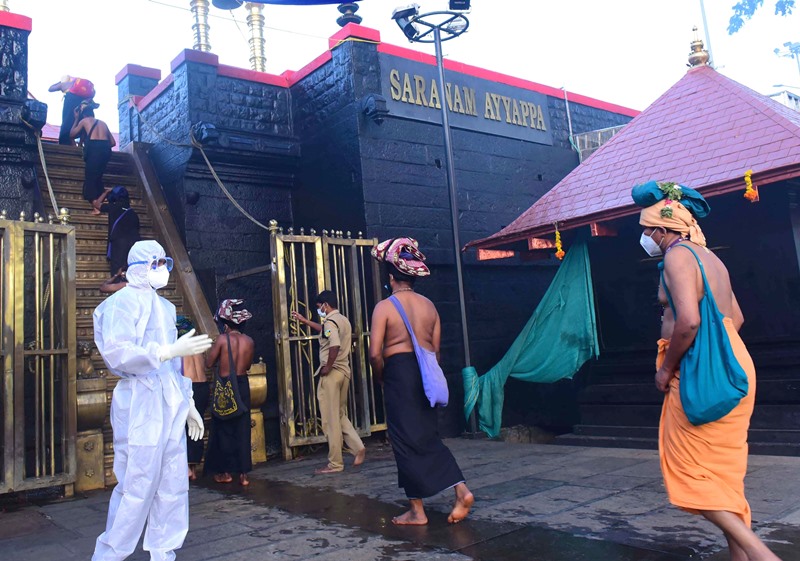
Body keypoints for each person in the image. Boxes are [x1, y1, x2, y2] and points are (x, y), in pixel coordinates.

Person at [633, 181, 780, 561]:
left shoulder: (678, 256)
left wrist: (667, 369)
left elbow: (689, 322)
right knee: (724, 476)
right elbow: (738, 317)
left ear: (663, 231)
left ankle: (761, 555)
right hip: (733, 361)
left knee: (690, 472)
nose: (645, 238)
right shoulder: (711, 258)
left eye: (647, 231)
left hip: (698, 370)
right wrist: (718, 353)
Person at [92, 240, 212, 561]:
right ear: (140, 267)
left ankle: (164, 551)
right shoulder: (120, 304)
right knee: (136, 483)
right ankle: (109, 555)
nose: (162, 270)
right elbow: (118, 353)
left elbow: (174, 367)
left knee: (172, 481)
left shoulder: (166, 308)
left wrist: (188, 404)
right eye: (156, 263)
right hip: (139, 401)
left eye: (164, 263)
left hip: (169, 400)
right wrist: (163, 351)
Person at [368, 237, 473, 526]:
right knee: (427, 436)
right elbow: (435, 353)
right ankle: (460, 490)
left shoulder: (384, 307)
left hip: (398, 374)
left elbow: (375, 353)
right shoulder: (430, 307)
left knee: (403, 440)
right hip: (426, 375)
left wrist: (381, 378)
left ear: (391, 276)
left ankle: (417, 510)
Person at [291, 291, 366, 474]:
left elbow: (334, 344)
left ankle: (335, 463)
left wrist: (327, 366)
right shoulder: (342, 320)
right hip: (344, 372)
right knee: (339, 414)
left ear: (325, 305)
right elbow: (325, 331)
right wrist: (304, 321)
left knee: (330, 420)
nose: (319, 311)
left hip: (332, 374)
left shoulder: (330, 322)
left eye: (319, 308)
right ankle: (358, 447)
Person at [205, 299, 255, 486]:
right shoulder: (249, 341)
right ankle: (244, 475)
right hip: (242, 384)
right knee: (242, 428)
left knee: (223, 429)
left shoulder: (222, 340)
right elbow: (248, 365)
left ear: (226, 325)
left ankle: (225, 473)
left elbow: (209, 363)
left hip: (225, 386)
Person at [177, 316, 209, 481]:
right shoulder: (198, 348)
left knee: (184, 427)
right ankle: (193, 469)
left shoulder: (181, 349)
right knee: (198, 426)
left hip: (189, 389)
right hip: (203, 387)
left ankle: (186, 469)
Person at [70, 99, 116, 214]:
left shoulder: (85, 121)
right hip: (105, 150)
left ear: (84, 114)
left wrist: (76, 119)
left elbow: (72, 134)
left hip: (95, 150)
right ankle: (100, 202)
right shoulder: (103, 123)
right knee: (97, 177)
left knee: (90, 178)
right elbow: (113, 143)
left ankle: (96, 207)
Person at [96, 186, 141, 274]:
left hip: (119, 245)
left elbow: (97, 204)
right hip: (133, 244)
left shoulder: (114, 207)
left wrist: (105, 193)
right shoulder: (133, 213)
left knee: (117, 270)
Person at [48, 74, 95, 145]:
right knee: (85, 123)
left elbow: (50, 89)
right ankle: (83, 143)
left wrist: (59, 83)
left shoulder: (65, 84)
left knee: (67, 123)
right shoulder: (84, 85)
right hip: (85, 103)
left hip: (71, 102)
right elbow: (93, 94)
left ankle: (65, 143)